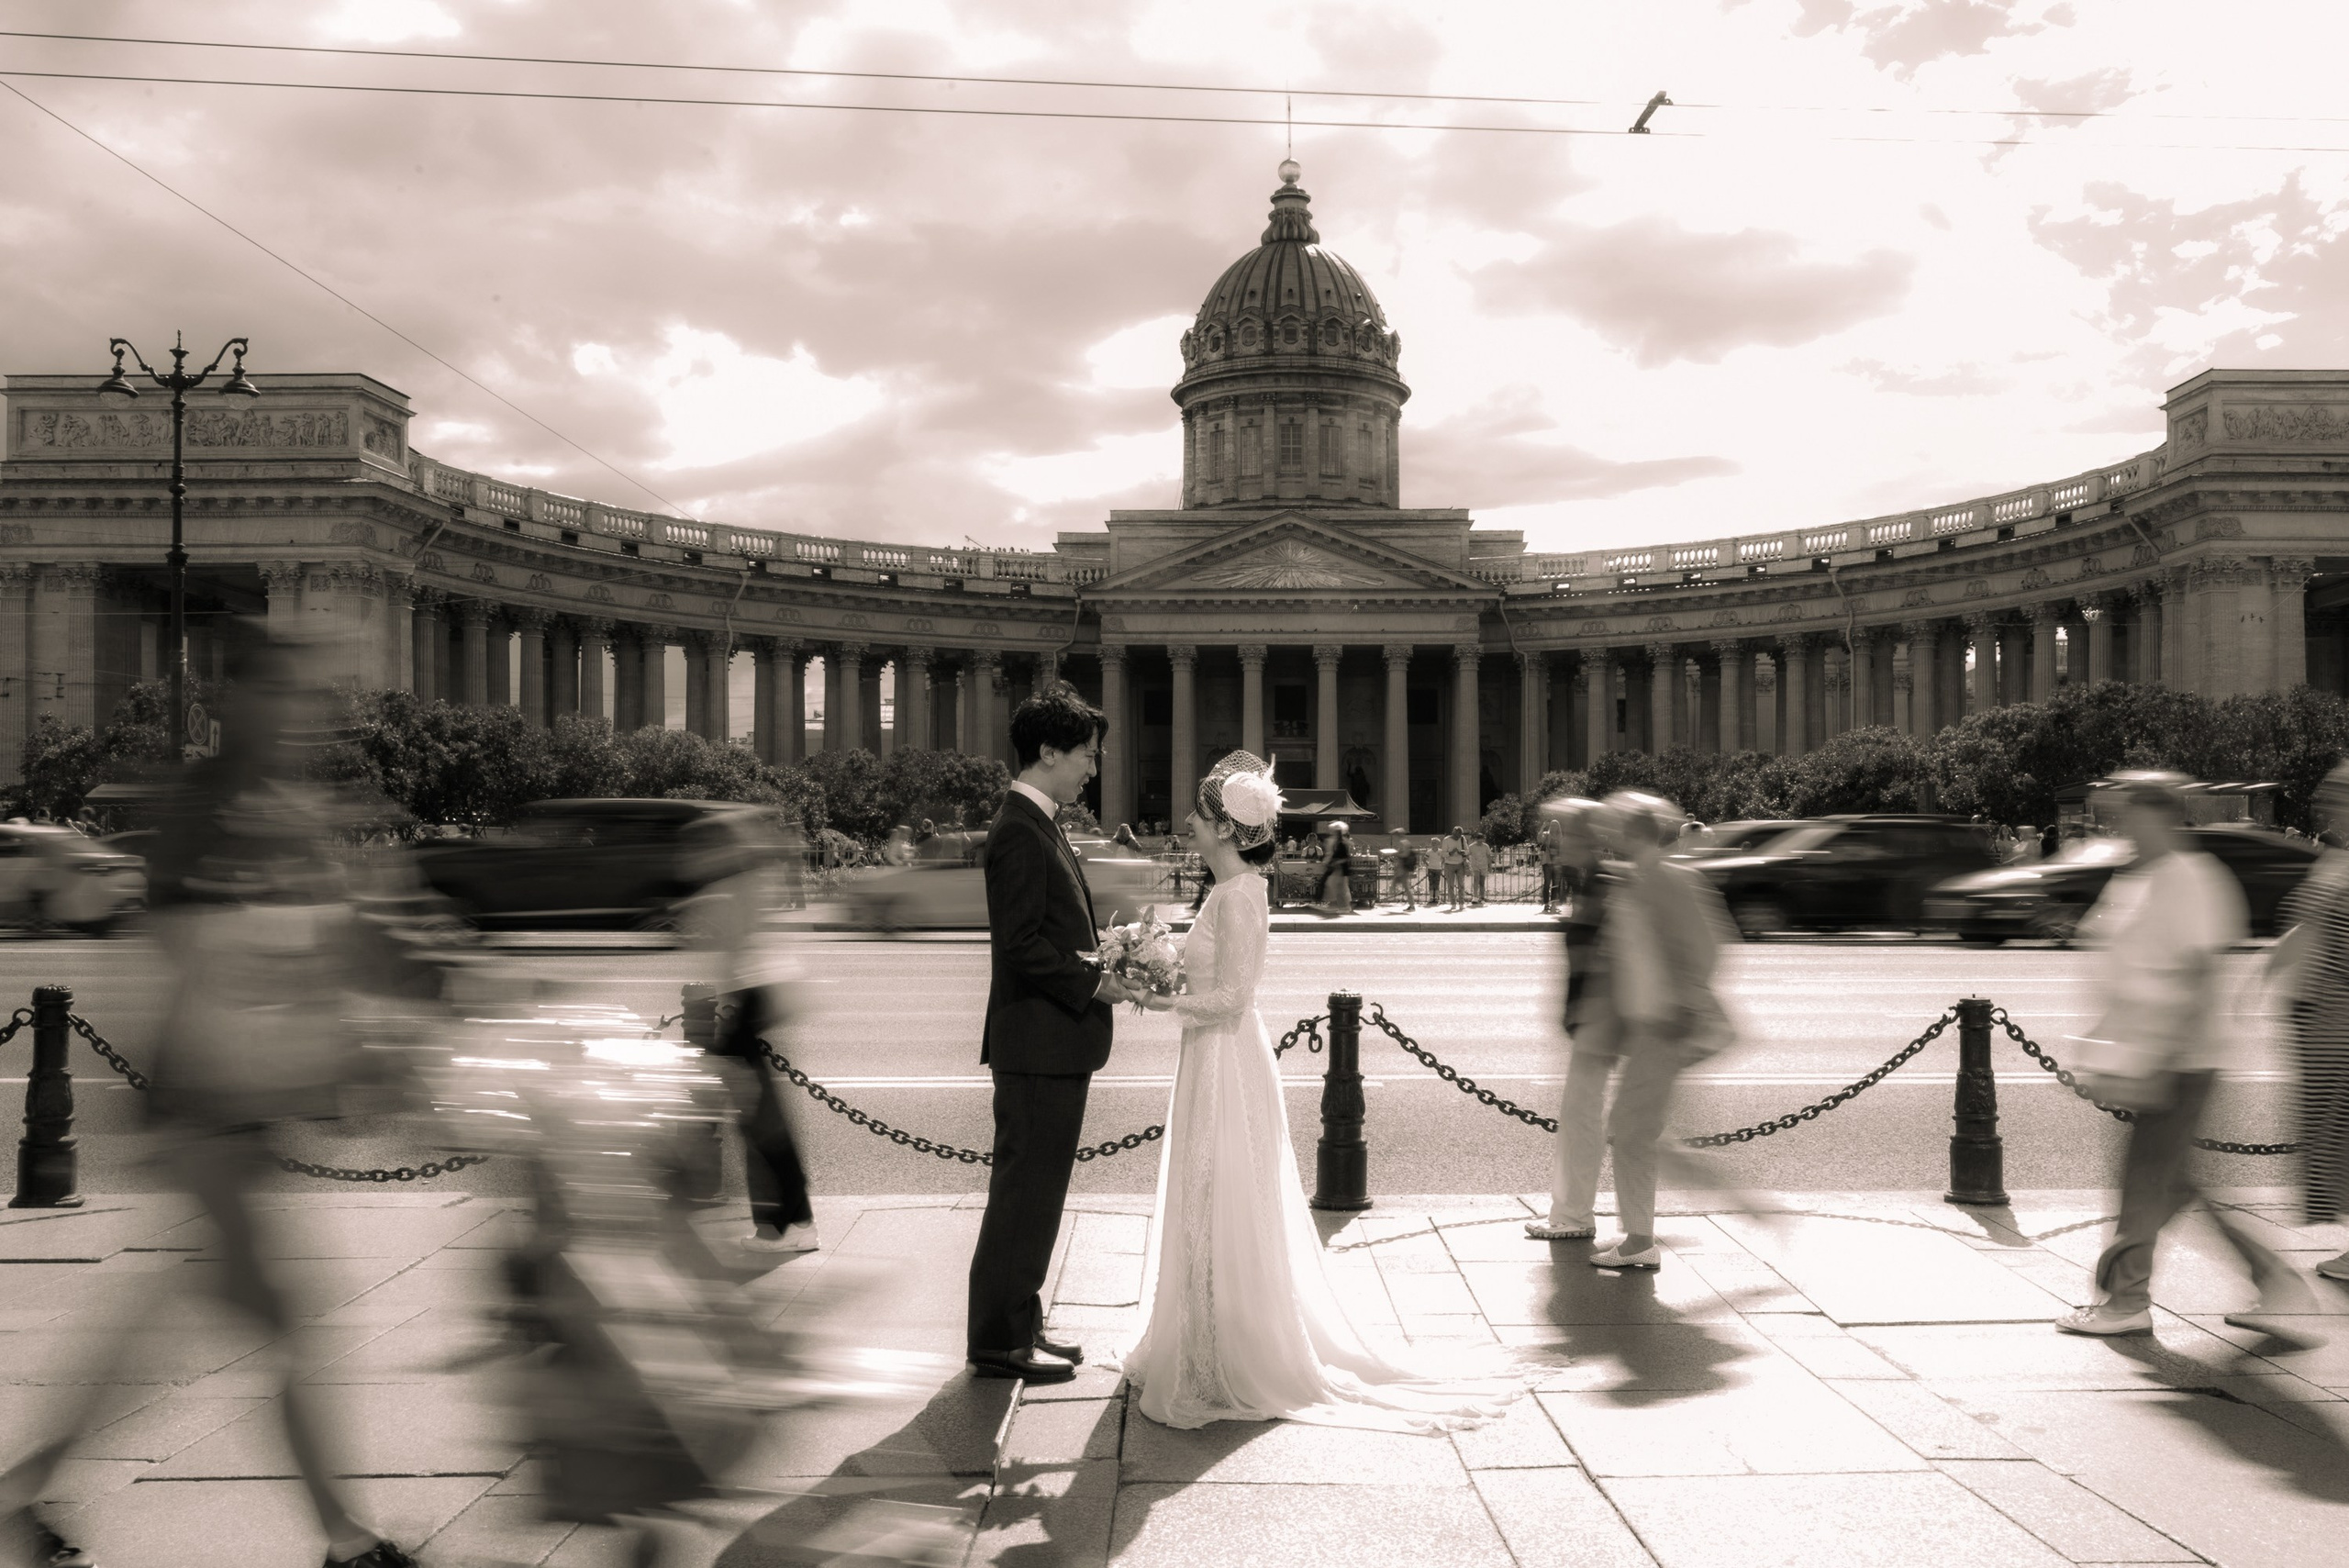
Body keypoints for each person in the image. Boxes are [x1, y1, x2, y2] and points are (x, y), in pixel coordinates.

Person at [2, 639, 431, 1568]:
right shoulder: (208, 805)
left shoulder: (291, 807)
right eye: (284, 697)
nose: (302, 716)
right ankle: (347, 1541)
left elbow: (346, 938)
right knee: (284, 1324)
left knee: (161, 1332)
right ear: (237, 703)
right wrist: (335, 1043)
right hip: (208, 1106)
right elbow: (198, 957)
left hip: (236, 1110)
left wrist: (415, 988)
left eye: (308, 700)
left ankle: (20, 1492)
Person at [1122, 751, 1520, 1430]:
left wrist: (1157, 1002)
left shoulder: (1242, 893)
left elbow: (1234, 995)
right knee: (1207, 1192)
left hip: (1225, 1056)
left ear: (1223, 829)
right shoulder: (1225, 891)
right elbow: (1210, 985)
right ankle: (1201, 1336)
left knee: (1223, 1191)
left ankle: (1221, 1348)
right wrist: (1157, 971)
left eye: (1199, 810)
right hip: (1209, 1053)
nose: (1186, 820)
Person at [2055, 771, 2323, 1338]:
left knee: (2147, 1183)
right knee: (2171, 1184)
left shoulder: (2189, 878)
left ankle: (2128, 1301)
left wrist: (2160, 1054)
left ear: (2159, 815)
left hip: (2178, 1058)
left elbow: (2199, 974)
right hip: (2149, 1055)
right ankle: (2277, 1283)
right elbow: (2122, 964)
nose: (2117, 825)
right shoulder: (2142, 876)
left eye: (2126, 814)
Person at [965, 687, 1131, 1385]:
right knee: (1024, 1196)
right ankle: (999, 1341)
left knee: (1038, 1194)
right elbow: (1024, 945)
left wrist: (1105, 957)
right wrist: (1096, 980)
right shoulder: (1017, 830)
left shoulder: (1041, 823)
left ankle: (1021, 1320)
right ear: (1049, 752)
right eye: (1087, 753)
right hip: (1037, 1043)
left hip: (1050, 1043)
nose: (1093, 766)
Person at [1567, 792, 1741, 1270]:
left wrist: (1684, 1000)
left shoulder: (1663, 876)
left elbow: (1707, 947)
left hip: (1666, 1023)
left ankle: (1642, 1239)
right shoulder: (1642, 876)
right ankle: (1644, 1233)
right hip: (1651, 1023)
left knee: (1633, 1133)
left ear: (1631, 831)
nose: (1607, 834)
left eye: (1614, 827)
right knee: (1637, 1132)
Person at [2273, 762, 2349, 1282]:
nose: (2327, 800)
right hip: (2322, 1021)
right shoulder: (2337, 857)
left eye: (2338, 793)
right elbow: (2307, 927)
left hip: (2337, 1023)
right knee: (2337, 1138)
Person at [1527, 798, 1617, 1241]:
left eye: (1567, 834)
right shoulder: (1592, 882)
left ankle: (1574, 1216)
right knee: (1581, 1116)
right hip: (1593, 1020)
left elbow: (1606, 958)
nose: (1558, 842)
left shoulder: (1603, 884)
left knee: (1583, 1118)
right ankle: (1570, 1211)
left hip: (1599, 1020)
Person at [1313, 820, 1354, 915]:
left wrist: (1335, 862)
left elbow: (1345, 857)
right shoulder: (1339, 842)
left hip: (1340, 868)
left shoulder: (1342, 843)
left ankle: (1343, 906)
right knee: (1338, 887)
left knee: (1338, 887)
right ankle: (1342, 906)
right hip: (1338, 868)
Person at [1438, 826, 1471, 911]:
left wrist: (1462, 852)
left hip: (1460, 864)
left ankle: (1461, 903)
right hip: (1449, 864)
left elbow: (1467, 851)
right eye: (1456, 835)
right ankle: (1453, 903)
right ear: (1453, 833)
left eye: (1459, 835)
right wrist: (1450, 853)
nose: (1458, 837)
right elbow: (1443, 853)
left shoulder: (1462, 839)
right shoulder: (1446, 840)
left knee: (1461, 885)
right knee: (1450, 885)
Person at [1466, 830, 1494, 906]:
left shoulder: (1486, 846)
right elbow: (1467, 854)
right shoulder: (1471, 846)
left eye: (1482, 839)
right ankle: (1475, 897)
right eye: (1479, 839)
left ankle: (1482, 897)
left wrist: (1490, 866)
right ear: (1476, 839)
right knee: (1476, 880)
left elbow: (1488, 856)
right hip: (1475, 866)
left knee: (1482, 882)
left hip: (1484, 866)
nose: (1480, 841)